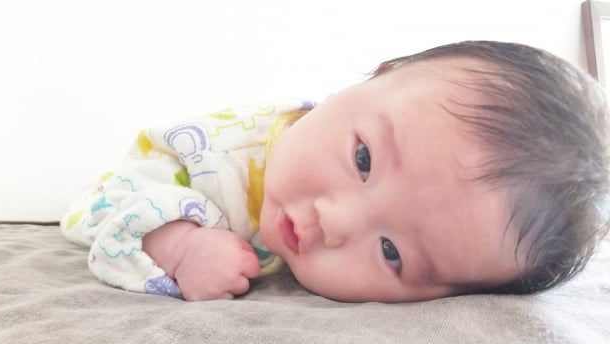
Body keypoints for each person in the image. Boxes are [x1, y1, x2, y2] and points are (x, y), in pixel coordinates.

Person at [61, 40, 610, 302]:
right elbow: (100, 205)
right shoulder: (213, 157)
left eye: (392, 252)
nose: (335, 221)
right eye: (363, 159)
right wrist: (179, 245)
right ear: (373, 77)